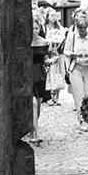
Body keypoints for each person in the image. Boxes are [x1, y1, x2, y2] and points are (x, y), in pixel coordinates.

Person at [64, 10, 88, 126]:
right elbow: (65, 51)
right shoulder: (72, 36)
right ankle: (82, 119)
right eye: (80, 28)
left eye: (84, 28)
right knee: (79, 95)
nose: (82, 31)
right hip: (76, 68)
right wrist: (72, 54)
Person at [30, 10, 52, 145]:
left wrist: (49, 60)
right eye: (32, 28)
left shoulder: (43, 42)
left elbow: (46, 57)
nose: (34, 30)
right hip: (28, 74)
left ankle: (33, 127)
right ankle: (35, 133)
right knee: (32, 103)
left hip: (40, 75)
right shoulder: (24, 43)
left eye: (36, 28)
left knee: (37, 105)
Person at [44, 8, 67, 105]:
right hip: (50, 53)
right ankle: (50, 95)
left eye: (55, 16)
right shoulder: (45, 28)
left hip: (58, 53)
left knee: (59, 74)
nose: (54, 18)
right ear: (48, 17)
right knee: (50, 74)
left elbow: (63, 37)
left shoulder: (59, 27)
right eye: (51, 16)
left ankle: (57, 96)